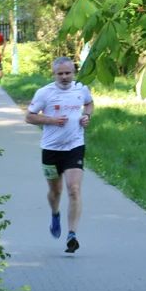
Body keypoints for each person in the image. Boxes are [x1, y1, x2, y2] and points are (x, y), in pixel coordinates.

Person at [25, 57, 93, 254]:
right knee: (56, 192)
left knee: (74, 189)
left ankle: (72, 234)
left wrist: (87, 116)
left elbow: (89, 104)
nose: (65, 77)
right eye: (60, 73)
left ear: (73, 72)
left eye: (68, 73)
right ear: (54, 74)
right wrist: (51, 120)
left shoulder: (81, 88)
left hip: (75, 146)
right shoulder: (44, 93)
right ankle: (55, 214)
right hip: (51, 149)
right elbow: (29, 116)